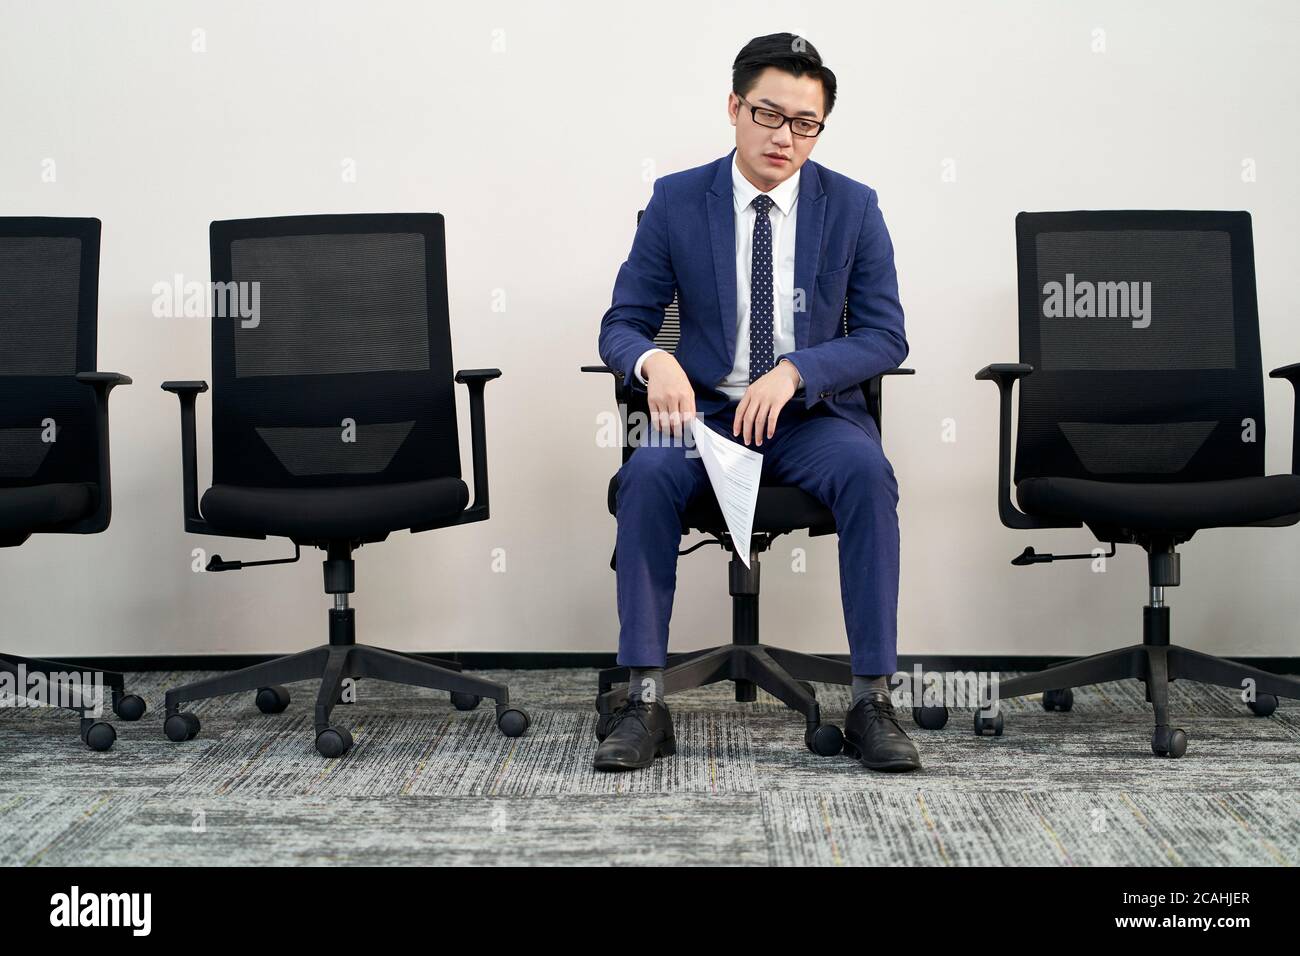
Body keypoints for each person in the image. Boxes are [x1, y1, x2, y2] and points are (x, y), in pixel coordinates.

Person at [594, 33, 920, 773]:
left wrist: (798, 370)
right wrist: (652, 361)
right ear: (735, 108)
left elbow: (884, 334)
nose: (785, 136)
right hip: (705, 417)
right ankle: (643, 699)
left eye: (805, 122)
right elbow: (624, 321)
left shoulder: (854, 206)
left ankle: (872, 698)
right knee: (646, 477)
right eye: (770, 114)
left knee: (869, 475)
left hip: (808, 420)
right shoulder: (679, 199)